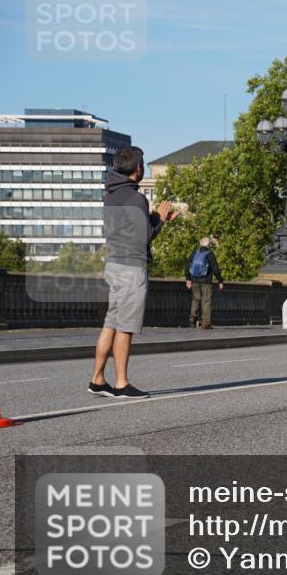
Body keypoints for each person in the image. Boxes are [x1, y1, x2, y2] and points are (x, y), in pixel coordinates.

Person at [88, 146, 179, 399]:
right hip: (131, 267)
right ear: (138, 168)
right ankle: (121, 384)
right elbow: (144, 237)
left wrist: (154, 219)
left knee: (111, 322)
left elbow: (128, 228)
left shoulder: (111, 194)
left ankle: (97, 379)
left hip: (114, 263)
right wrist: (159, 219)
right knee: (125, 327)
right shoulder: (137, 198)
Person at [185, 237, 224, 329]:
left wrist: (188, 279)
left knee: (195, 299)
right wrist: (220, 281)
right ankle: (206, 323)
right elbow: (215, 269)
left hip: (194, 280)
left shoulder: (195, 252)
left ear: (200, 243)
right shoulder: (209, 254)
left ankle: (192, 321)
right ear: (208, 244)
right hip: (206, 281)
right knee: (206, 301)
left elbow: (187, 265)